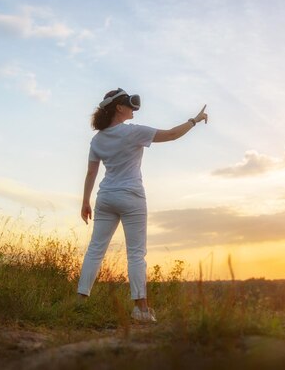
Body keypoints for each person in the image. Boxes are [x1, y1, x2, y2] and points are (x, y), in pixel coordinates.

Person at [77, 88, 208, 322]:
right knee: (136, 254)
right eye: (129, 103)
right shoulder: (133, 133)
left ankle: (79, 304)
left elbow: (90, 172)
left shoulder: (97, 139)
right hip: (131, 196)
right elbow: (171, 135)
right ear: (119, 108)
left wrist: (85, 201)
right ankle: (141, 311)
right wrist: (194, 120)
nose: (132, 107)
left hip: (106, 197)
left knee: (95, 250)